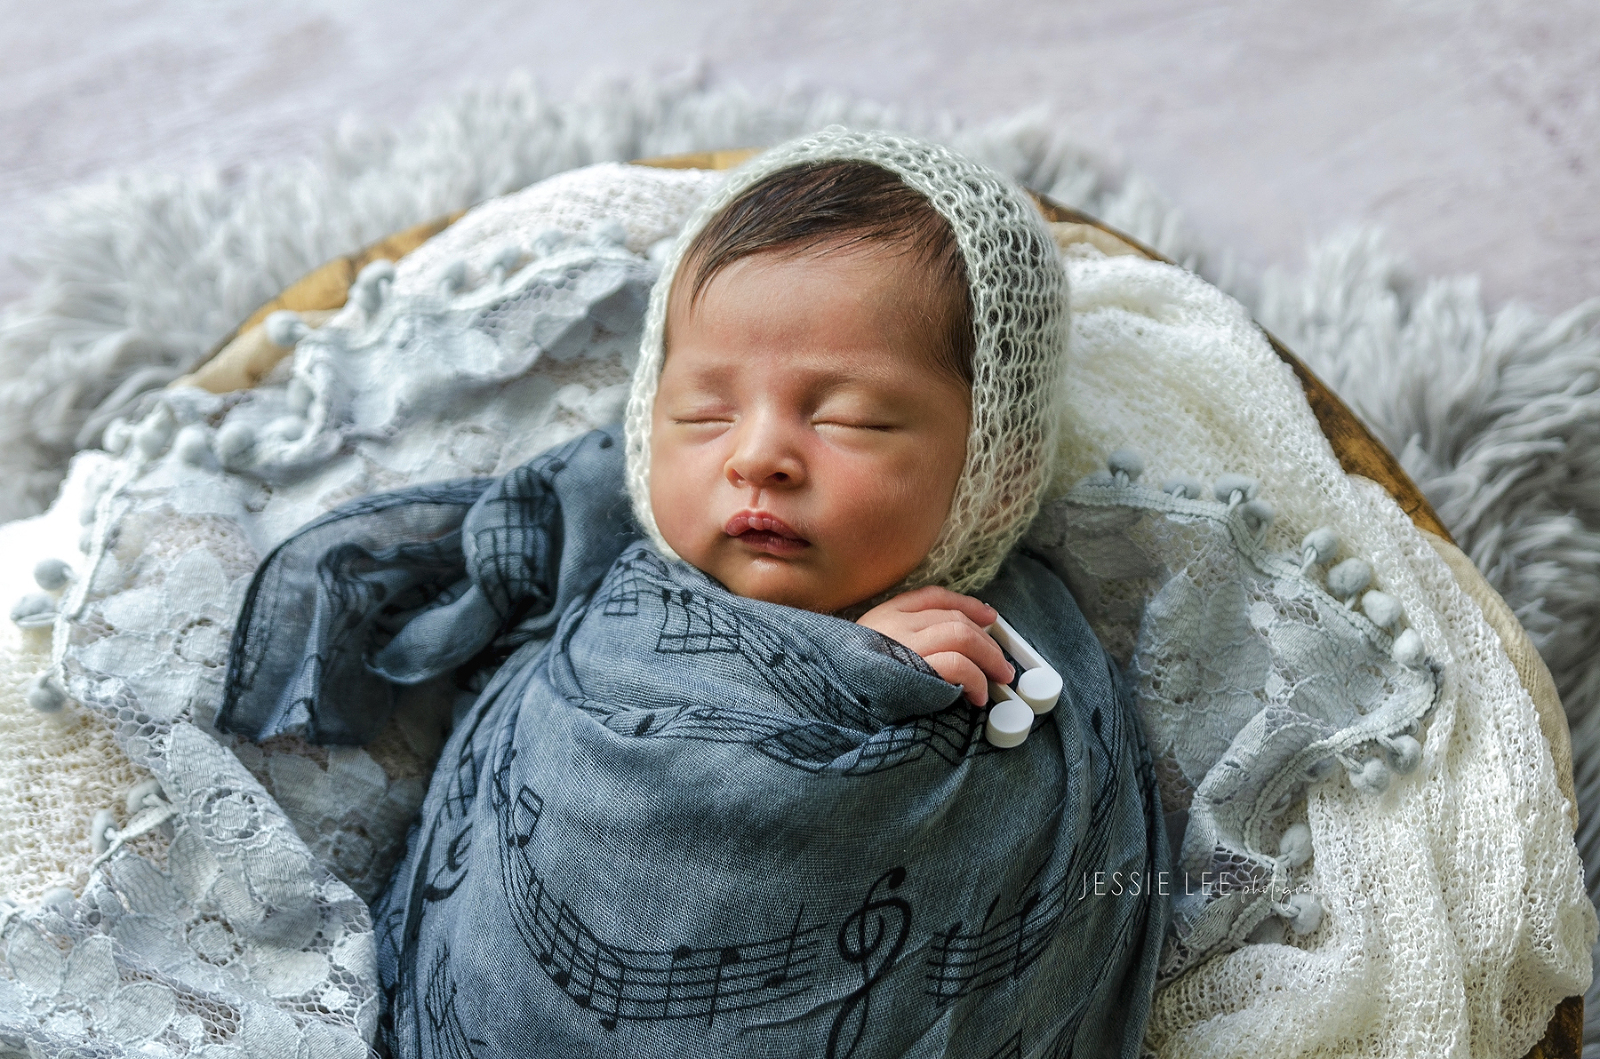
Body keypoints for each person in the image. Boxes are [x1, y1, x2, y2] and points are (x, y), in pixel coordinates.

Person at [220, 127, 1170, 1058]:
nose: (756, 455)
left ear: (994, 468)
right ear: (647, 420)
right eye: (705, 412)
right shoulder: (608, 567)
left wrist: (864, 683)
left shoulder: (1012, 653)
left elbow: (1021, 879)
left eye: (850, 418)